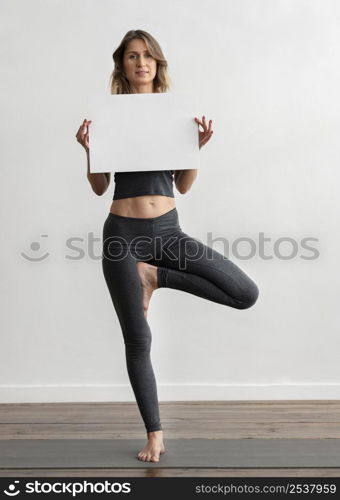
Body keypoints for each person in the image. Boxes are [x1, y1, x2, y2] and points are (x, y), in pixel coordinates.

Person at [75, 29, 259, 463]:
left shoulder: (176, 113)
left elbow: (183, 185)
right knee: (138, 338)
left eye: (148, 57)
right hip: (123, 236)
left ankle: (156, 276)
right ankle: (154, 434)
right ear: (122, 65)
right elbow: (100, 187)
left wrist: (196, 149)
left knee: (245, 294)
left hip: (169, 231)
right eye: (133, 57)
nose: (141, 63)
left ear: (158, 64)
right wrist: (88, 150)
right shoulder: (108, 115)